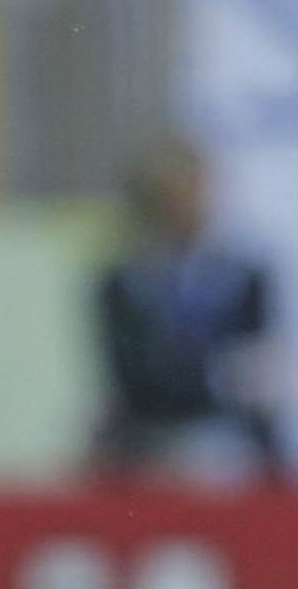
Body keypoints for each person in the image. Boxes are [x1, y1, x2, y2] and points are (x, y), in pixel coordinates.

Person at [93, 133, 285, 483]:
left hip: (227, 441)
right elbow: (130, 376)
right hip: (151, 439)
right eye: (175, 192)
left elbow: (256, 374)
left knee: (220, 457)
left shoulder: (244, 277)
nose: (189, 202)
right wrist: (216, 379)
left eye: (196, 189)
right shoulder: (125, 281)